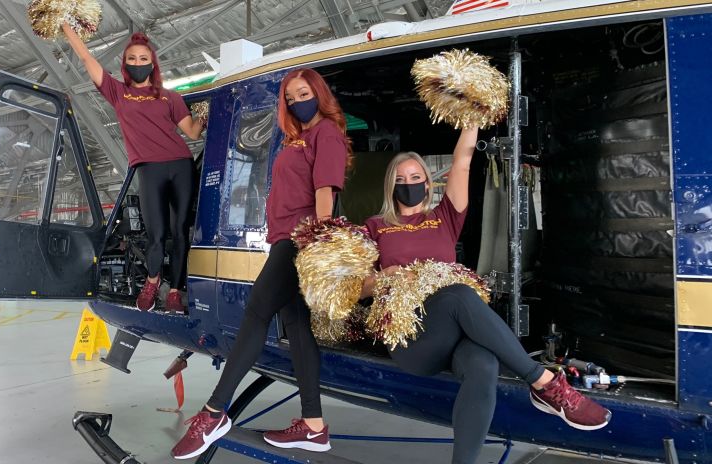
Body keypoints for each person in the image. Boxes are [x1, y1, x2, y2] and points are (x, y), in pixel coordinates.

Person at [360, 128, 612, 464]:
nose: (409, 183)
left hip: (454, 335)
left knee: (484, 364)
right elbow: (356, 289)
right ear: (391, 185)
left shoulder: (444, 218)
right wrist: (381, 279)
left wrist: (472, 114)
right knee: (460, 295)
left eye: (416, 176)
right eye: (401, 177)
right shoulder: (375, 226)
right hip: (412, 338)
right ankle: (544, 382)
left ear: (428, 183)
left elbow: (463, 161)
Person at [170, 68, 351, 459]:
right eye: (289, 97)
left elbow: (325, 194)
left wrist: (317, 245)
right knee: (297, 326)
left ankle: (214, 412)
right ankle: (314, 426)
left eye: (303, 93)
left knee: (255, 314)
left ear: (319, 93)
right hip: (282, 238)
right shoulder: (298, 139)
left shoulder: (327, 134)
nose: (296, 101)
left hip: (298, 240)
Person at [61, 25, 204, 312]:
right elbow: (88, 60)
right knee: (156, 233)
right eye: (132, 59)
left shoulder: (169, 97)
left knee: (179, 231)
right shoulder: (118, 93)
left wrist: (202, 115)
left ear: (152, 63)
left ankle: (174, 291)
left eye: (143, 58)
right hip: (148, 169)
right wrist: (67, 28)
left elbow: (192, 134)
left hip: (180, 165)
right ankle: (152, 283)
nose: (138, 63)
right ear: (125, 64)